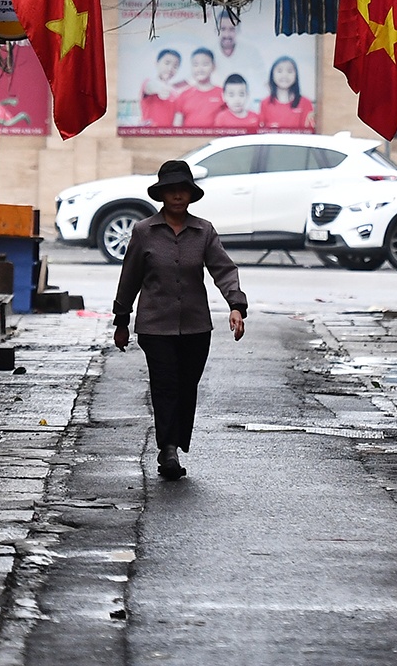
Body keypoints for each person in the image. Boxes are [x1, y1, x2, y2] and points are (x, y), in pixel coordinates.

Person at [112, 161, 248, 479]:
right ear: (161, 194)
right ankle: (168, 449)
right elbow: (129, 276)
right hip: (154, 326)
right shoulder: (144, 232)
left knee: (187, 386)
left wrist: (236, 305)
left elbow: (224, 270)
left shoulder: (204, 231)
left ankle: (175, 442)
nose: (177, 194)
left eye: (182, 189)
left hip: (196, 327)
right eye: (171, 189)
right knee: (165, 385)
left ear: (190, 194)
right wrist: (121, 319)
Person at [173, 47, 227, 129]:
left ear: (213, 67)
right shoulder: (183, 95)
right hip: (188, 141)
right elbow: (176, 127)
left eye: (205, 64)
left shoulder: (223, 94)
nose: (200, 69)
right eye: (195, 65)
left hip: (214, 140)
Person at [256, 55, 315, 130]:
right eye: (279, 71)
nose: (284, 75)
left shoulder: (305, 103)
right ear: (272, 75)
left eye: (289, 71)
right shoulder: (265, 103)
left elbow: (309, 132)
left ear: (295, 75)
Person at [138, 48, 185, 127]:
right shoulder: (148, 82)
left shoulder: (176, 93)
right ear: (157, 63)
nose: (170, 69)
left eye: (175, 66)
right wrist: (161, 89)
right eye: (167, 63)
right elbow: (151, 86)